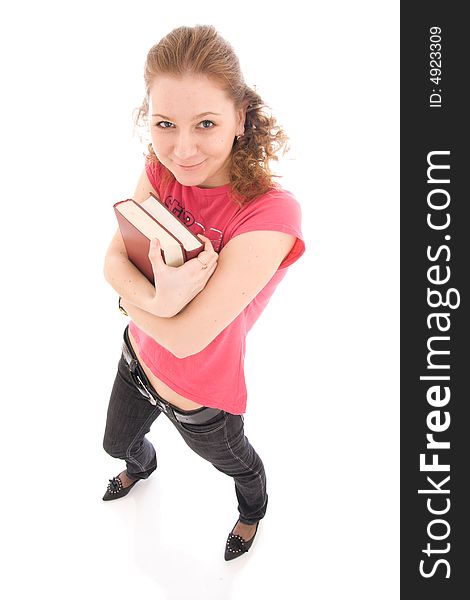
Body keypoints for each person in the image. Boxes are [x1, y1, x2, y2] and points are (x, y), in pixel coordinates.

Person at [102, 24, 306, 561]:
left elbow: (191, 340)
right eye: (165, 123)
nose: (182, 148)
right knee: (115, 445)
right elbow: (112, 259)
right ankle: (140, 466)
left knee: (237, 465)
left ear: (241, 119)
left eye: (206, 123)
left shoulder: (270, 213)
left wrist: (133, 300)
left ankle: (253, 511)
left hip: (201, 401)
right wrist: (155, 304)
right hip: (136, 361)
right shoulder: (160, 168)